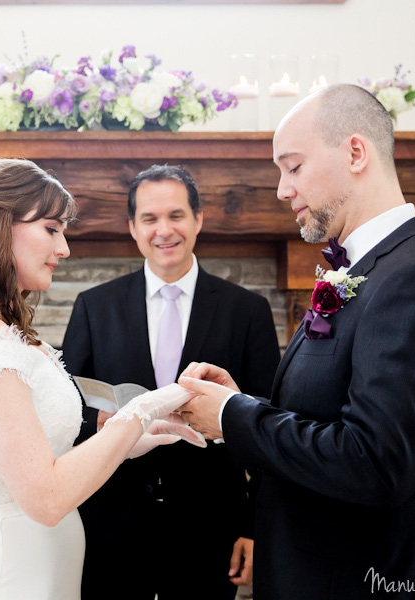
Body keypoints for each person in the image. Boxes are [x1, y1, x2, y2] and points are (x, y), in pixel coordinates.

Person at [177, 84, 415, 600]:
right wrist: (242, 402)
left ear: (355, 152)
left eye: (293, 167)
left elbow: (376, 461)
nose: (282, 189)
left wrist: (234, 416)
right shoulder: (371, 268)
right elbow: (329, 416)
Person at [0, 159, 205, 600]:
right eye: (51, 228)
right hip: (9, 572)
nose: (65, 247)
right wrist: (142, 407)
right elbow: (47, 497)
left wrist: (129, 441)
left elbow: (37, 458)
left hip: (37, 567)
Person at [62, 164, 281, 599]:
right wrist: (104, 422)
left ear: (198, 219)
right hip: (111, 523)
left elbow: (267, 424)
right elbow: (68, 410)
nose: (164, 230)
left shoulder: (247, 311)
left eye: (176, 215)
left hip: (210, 526)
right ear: (132, 227)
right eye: (150, 218)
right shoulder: (94, 306)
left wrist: (254, 528)